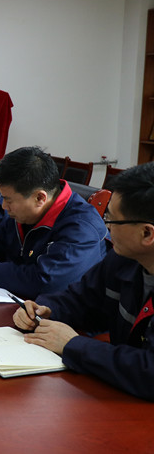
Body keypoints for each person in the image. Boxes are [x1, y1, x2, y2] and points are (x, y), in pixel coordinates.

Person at [13, 163, 154, 400]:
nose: (106, 227)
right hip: (118, 394)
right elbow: (79, 299)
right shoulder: (122, 260)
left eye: (112, 219)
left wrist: (73, 345)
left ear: (147, 233)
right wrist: (47, 310)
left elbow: (149, 371)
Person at [0, 146, 106, 298]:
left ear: (40, 198)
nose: (3, 206)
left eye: (8, 200)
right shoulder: (24, 211)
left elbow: (47, 282)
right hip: (20, 301)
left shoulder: (81, 227)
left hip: (62, 314)